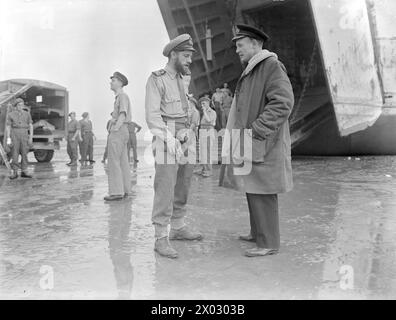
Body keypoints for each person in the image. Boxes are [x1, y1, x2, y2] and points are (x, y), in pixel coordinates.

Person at [224, 24, 294, 257]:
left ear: (255, 44)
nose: (237, 50)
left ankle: (268, 243)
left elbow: (283, 102)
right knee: (252, 187)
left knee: (263, 191)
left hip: (263, 141)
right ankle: (257, 233)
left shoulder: (271, 66)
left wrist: (257, 129)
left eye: (240, 45)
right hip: (252, 141)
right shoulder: (255, 68)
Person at [145, 33, 203, 259]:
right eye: (186, 56)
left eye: (190, 56)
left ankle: (178, 227)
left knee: (184, 183)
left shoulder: (182, 79)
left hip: (186, 134)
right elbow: (152, 116)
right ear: (173, 55)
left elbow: (188, 110)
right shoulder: (156, 79)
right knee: (165, 186)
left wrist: (191, 126)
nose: (189, 60)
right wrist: (169, 139)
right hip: (166, 134)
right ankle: (160, 238)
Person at [104, 71, 132, 201]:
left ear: (120, 83)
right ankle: (125, 189)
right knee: (122, 161)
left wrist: (115, 128)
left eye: (113, 80)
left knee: (113, 161)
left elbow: (122, 114)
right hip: (123, 130)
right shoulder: (121, 97)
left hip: (119, 130)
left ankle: (116, 192)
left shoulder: (122, 97)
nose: (111, 82)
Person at [6, 98, 33, 179]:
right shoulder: (11, 114)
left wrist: (30, 137)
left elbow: (30, 125)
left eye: (22, 105)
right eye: (19, 105)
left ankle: (24, 171)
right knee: (15, 153)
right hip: (15, 133)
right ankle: (15, 172)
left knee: (25, 152)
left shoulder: (27, 114)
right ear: (15, 106)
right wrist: (8, 138)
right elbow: (8, 126)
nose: (20, 106)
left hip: (24, 134)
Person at [195, 96, 216, 177]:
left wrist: (204, 112)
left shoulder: (212, 112)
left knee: (208, 152)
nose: (202, 105)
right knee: (203, 152)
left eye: (203, 103)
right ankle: (204, 169)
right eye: (201, 104)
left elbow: (209, 120)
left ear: (208, 103)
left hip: (208, 131)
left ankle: (209, 170)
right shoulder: (203, 113)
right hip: (202, 131)